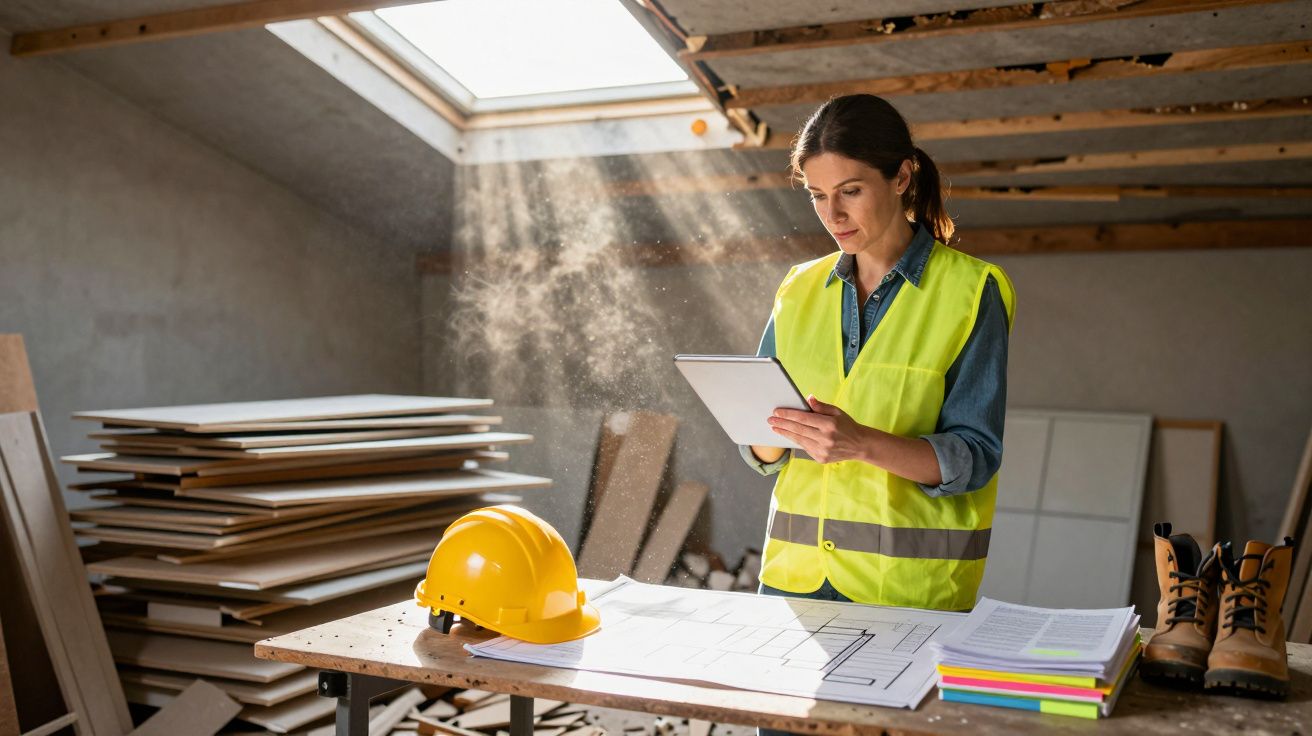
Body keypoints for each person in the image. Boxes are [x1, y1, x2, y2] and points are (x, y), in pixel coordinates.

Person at [741, 94, 1016, 613]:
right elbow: (761, 450)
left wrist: (860, 443)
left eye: (850, 191)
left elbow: (974, 457)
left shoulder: (972, 291)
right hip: (791, 583)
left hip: (908, 593)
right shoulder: (797, 288)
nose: (832, 214)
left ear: (902, 177)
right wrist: (767, 434)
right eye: (817, 195)